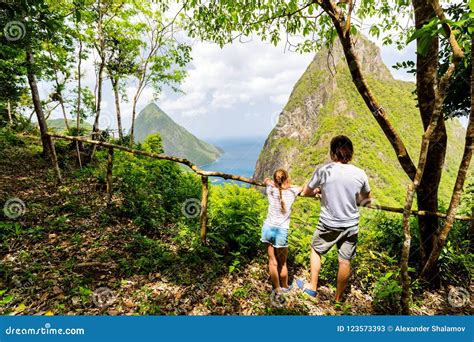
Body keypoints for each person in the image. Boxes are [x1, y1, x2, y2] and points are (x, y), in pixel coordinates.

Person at [297, 135, 371, 302]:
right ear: (350, 153)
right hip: (351, 225)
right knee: (344, 261)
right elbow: (366, 201)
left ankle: (312, 288)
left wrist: (318, 191)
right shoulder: (360, 173)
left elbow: (306, 192)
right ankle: (338, 300)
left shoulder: (324, 171)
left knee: (316, 250)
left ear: (332, 153)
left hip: (329, 224)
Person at [261, 169, 302, 294]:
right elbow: (302, 187)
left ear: (275, 180)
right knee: (282, 263)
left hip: (267, 228)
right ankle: (284, 287)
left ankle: (277, 288)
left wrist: (271, 182)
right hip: (281, 231)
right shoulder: (292, 191)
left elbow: (266, 181)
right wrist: (290, 185)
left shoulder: (270, 189)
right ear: (287, 179)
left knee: (272, 261)